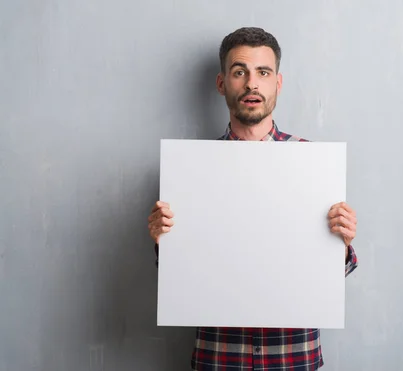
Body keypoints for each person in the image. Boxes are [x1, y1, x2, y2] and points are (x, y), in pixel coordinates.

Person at [147, 27, 359, 371]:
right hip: (219, 355)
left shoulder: (314, 163)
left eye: (263, 72)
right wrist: (162, 241)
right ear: (221, 83)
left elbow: (337, 273)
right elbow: (180, 274)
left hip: (293, 355)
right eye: (239, 72)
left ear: (278, 83)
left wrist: (343, 242)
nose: (251, 84)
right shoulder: (190, 169)